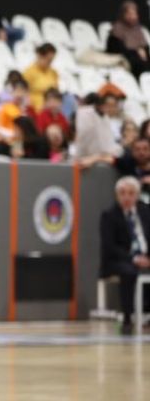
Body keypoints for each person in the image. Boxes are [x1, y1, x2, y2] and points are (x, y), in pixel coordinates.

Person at [100, 177, 150, 334]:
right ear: (117, 195)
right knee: (128, 271)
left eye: (130, 193)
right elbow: (110, 247)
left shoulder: (146, 211)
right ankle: (127, 319)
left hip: (146, 256)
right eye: (122, 193)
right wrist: (134, 259)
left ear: (137, 195)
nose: (126, 197)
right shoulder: (109, 215)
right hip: (119, 260)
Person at [107, 0, 150, 78]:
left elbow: (145, 47)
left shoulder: (137, 29)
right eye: (129, 14)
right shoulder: (117, 30)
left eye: (134, 14)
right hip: (126, 62)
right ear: (123, 14)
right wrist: (136, 52)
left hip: (141, 60)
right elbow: (116, 51)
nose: (133, 17)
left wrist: (143, 52)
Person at [75, 94, 124, 160]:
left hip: (99, 158)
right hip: (86, 158)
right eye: (108, 105)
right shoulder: (85, 114)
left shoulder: (105, 118)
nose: (109, 108)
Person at [22, 44, 59, 112]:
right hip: (36, 108)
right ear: (40, 56)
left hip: (52, 107)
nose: (50, 63)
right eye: (48, 60)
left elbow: (56, 93)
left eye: (51, 60)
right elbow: (24, 94)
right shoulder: (29, 72)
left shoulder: (54, 72)